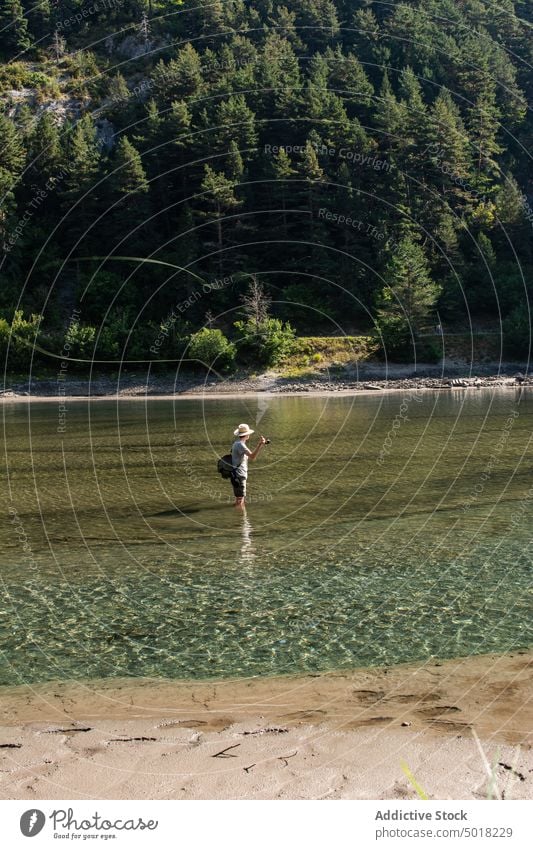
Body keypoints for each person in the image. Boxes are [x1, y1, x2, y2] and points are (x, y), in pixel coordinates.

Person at [231, 423, 266, 508]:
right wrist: (260, 444)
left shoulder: (237, 443)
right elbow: (253, 457)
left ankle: (238, 517)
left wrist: (260, 445)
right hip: (240, 475)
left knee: (239, 498)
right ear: (247, 435)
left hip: (236, 474)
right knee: (240, 501)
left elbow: (249, 456)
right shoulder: (241, 445)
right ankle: (241, 519)